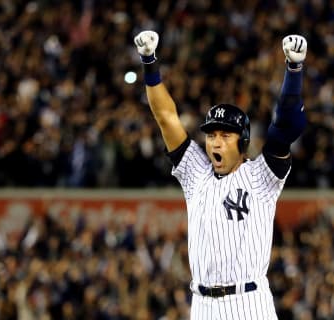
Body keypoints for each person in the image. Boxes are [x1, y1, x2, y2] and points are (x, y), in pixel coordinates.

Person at [134, 30, 307, 319]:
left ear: (243, 142)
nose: (215, 141)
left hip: (249, 303)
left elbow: (286, 126)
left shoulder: (261, 177)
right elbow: (166, 118)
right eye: (211, 134)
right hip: (202, 305)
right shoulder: (195, 172)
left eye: (225, 135)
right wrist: (149, 63)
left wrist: (294, 70)